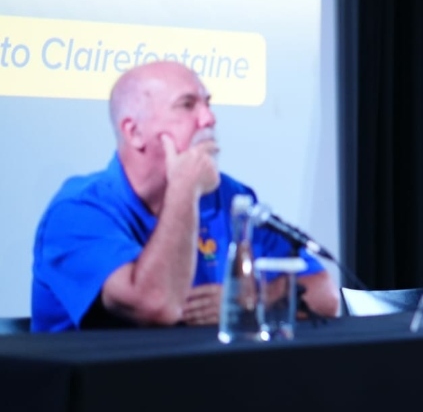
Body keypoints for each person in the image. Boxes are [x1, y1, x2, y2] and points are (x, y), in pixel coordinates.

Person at [31, 61, 340, 332]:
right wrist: (183, 189)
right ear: (134, 132)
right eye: (187, 105)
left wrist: (251, 298)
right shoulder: (77, 211)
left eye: (207, 103)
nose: (209, 118)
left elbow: (324, 295)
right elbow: (157, 305)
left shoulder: (228, 197)